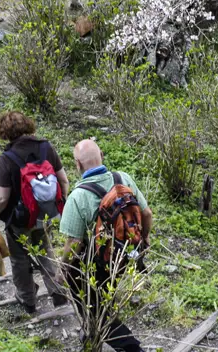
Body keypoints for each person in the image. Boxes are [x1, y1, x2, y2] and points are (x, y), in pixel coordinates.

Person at [57, 139, 152, 352]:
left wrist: (62, 268)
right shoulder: (123, 179)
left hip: (96, 261)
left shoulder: (78, 196)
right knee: (105, 295)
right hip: (124, 254)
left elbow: (74, 242)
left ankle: (131, 347)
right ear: (101, 154)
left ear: (78, 165)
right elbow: (146, 213)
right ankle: (94, 336)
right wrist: (144, 239)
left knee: (92, 306)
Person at [0, 111, 70, 314]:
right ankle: (58, 293)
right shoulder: (45, 147)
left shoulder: (7, 158)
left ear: (5, 133)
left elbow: (3, 197)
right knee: (45, 250)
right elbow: (64, 180)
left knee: (20, 257)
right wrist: (59, 205)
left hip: (20, 219)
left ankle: (27, 299)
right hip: (45, 213)